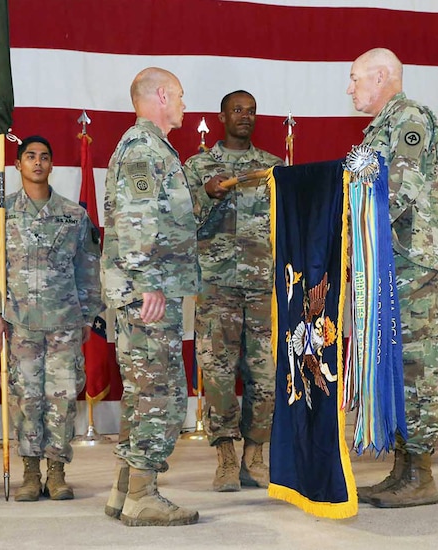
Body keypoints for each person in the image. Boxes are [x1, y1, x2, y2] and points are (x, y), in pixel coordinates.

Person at [0, 135, 102, 502]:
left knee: (62, 399)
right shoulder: (0, 212)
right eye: (30, 156)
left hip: (64, 322)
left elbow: (89, 269)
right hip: (20, 324)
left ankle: (57, 472)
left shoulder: (74, 214)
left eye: (44, 157)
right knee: (26, 398)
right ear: (17, 164)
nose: (37, 162)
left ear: (52, 164)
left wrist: (86, 316)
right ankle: (31, 472)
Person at [346, 47, 438, 508]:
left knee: (414, 369)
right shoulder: (377, 129)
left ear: (382, 76)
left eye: (355, 79)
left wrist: (348, 226)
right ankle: (402, 469)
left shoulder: (411, 119)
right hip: (386, 263)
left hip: (410, 263)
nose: (350, 89)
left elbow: (397, 191)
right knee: (392, 364)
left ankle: (421, 474)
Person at [100, 67, 200, 526]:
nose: (183, 102)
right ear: (161, 94)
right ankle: (144, 495)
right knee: (161, 394)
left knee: (144, 392)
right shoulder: (142, 149)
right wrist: (148, 282)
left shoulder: (152, 148)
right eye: (178, 94)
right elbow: (137, 220)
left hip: (148, 288)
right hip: (148, 292)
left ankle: (124, 491)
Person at [183, 90, 283, 492]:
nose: (246, 116)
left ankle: (254, 457)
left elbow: (290, 221)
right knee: (219, 375)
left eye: (252, 111)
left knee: (266, 376)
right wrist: (205, 194)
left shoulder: (274, 168)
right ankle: (225, 457)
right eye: (238, 110)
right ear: (222, 117)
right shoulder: (197, 167)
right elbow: (178, 220)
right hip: (217, 286)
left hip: (264, 287)